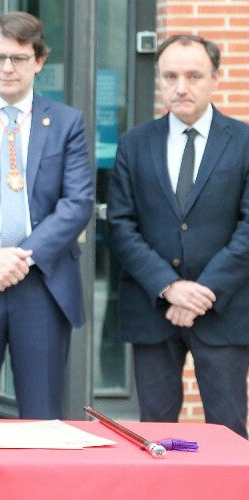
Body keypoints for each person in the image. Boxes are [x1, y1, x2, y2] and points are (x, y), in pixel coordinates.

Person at [0, 12, 94, 419]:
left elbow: (77, 202)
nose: (6, 68)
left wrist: (20, 256)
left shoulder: (65, 122)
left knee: (42, 414)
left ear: (39, 61)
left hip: (41, 282)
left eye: (19, 58)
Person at [107, 34, 249, 439]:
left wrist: (203, 291)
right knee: (153, 433)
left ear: (215, 78)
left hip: (225, 311)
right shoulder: (134, 144)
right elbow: (120, 224)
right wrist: (168, 286)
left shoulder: (244, 142)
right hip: (153, 309)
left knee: (229, 430)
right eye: (170, 76)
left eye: (193, 75)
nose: (180, 87)